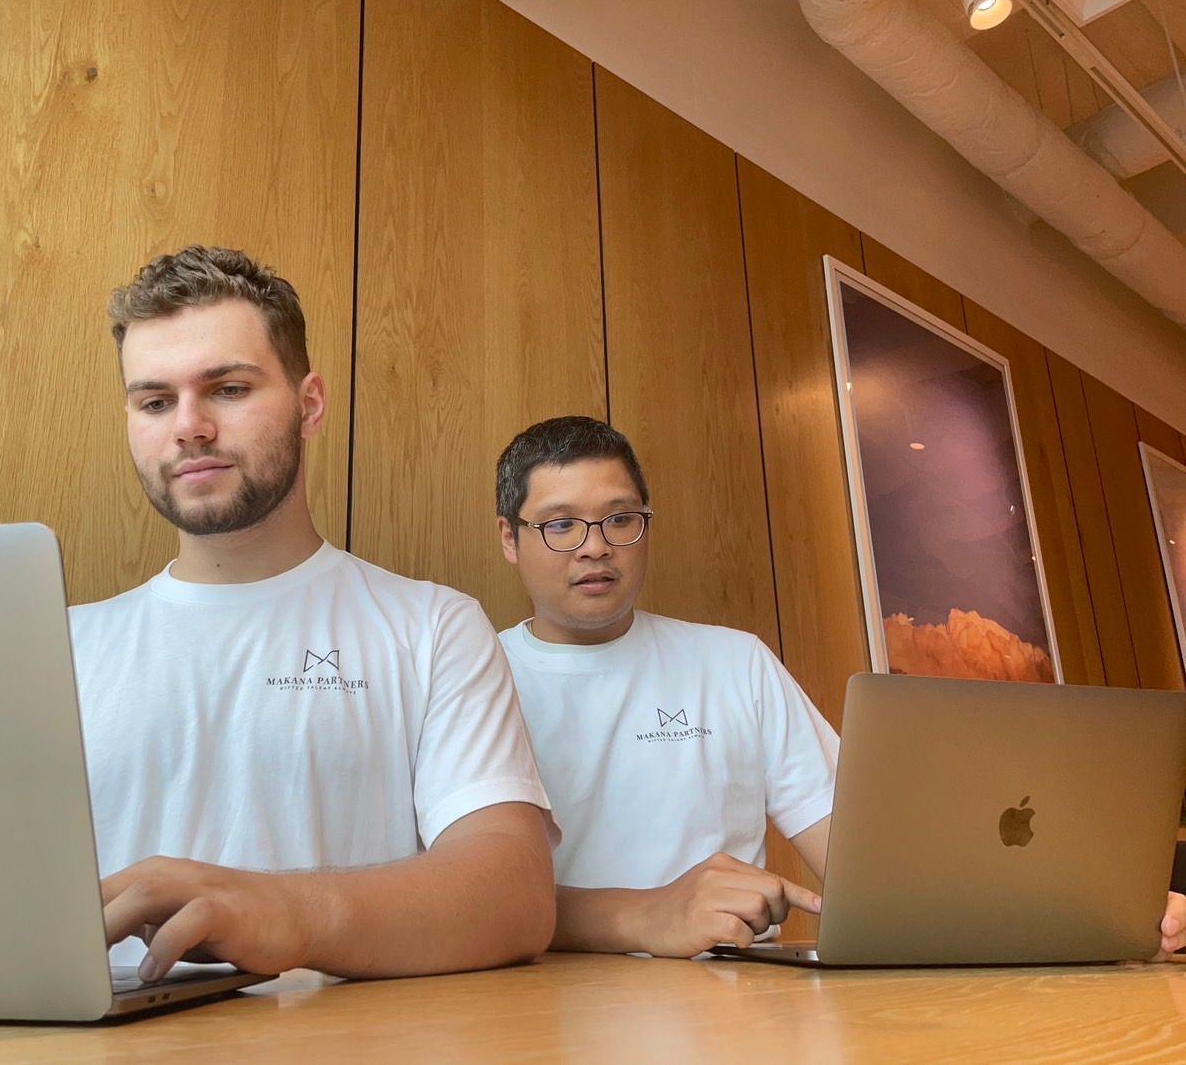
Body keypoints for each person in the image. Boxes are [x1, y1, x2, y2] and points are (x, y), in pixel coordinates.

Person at [494, 416, 1186, 960]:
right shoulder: (475, 676)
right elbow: (458, 894)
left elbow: (871, 866)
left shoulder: (732, 662)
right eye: (559, 524)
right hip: (545, 999)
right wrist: (641, 915)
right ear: (509, 538)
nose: (594, 545)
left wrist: (1094, 909)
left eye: (619, 518)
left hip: (734, 995)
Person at [71, 246, 556, 983]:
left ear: (310, 403)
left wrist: (286, 915)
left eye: (227, 389)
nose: (189, 427)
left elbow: (514, 895)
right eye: (155, 402)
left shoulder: (431, 627)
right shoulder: (64, 647)